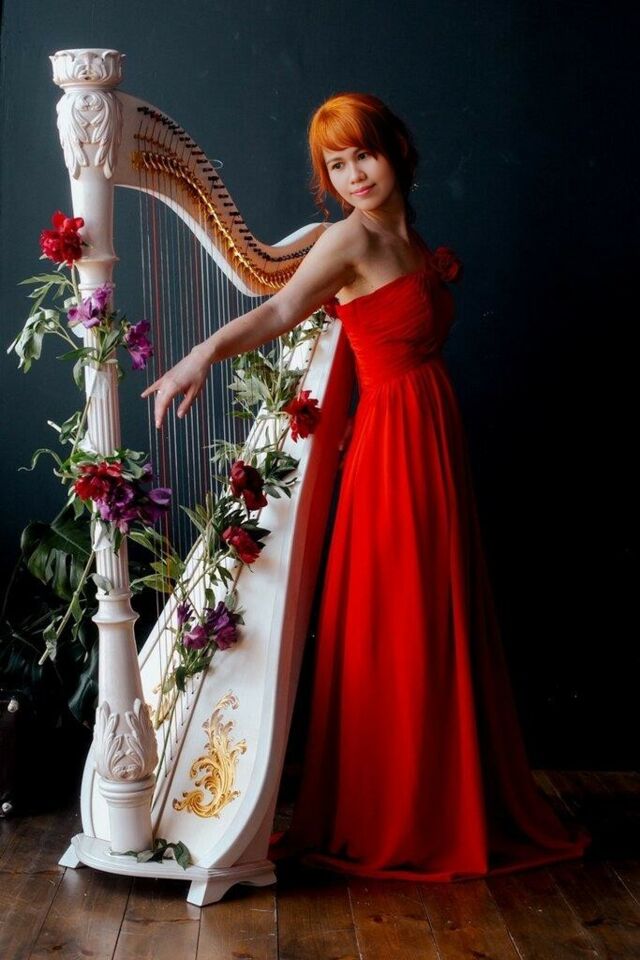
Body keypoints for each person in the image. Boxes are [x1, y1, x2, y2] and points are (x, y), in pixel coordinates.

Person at [142, 92, 591, 881]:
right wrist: (202, 354)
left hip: (433, 435)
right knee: (403, 614)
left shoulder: (405, 235)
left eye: (363, 155)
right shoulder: (347, 241)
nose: (354, 175)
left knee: (439, 609)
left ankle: (445, 796)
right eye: (337, 164)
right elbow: (282, 307)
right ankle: (398, 808)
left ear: (395, 151)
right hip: (392, 449)